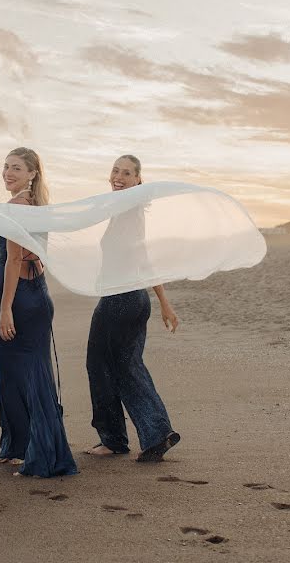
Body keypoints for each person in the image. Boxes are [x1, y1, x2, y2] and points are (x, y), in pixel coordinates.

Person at [0, 143, 78, 478]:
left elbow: (13, 258)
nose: (8, 173)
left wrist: (5, 310)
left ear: (31, 173)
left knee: (20, 376)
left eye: (16, 167)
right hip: (36, 293)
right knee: (25, 375)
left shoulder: (17, 206)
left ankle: (41, 455)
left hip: (13, 296)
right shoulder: (37, 205)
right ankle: (17, 446)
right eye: (6, 166)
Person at [84, 154, 182, 462]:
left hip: (121, 300)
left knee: (102, 367)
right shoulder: (127, 211)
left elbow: (141, 257)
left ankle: (114, 439)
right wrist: (163, 303)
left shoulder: (127, 210)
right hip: (136, 299)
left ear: (139, 180)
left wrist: (164, 302)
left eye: (127, 173)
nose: (119, 176)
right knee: (128, 366)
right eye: (115, 170)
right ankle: (157, 433)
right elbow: (144, 259)